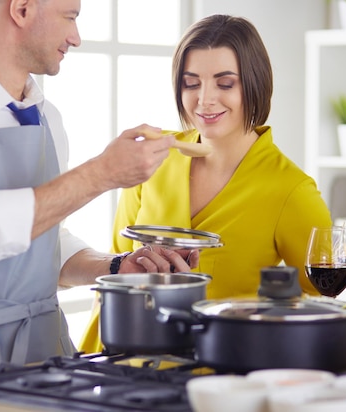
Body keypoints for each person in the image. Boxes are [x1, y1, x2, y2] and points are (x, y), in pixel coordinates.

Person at [0, 0, 193, 387]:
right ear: (22, 10)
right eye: (70, 17)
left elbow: (42, 237)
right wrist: (102, 174)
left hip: (46, 358)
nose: (76, 37)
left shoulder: (47, 117)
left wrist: (113, 266)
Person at [79, 14, 332, 353]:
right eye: (191, 83)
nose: (204, 99)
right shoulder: (152, 159)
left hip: (217, 376)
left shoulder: (291, 190)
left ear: (254, 84)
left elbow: (320, 308)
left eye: (225, 84)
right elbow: (115, 265)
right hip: (117, 360)